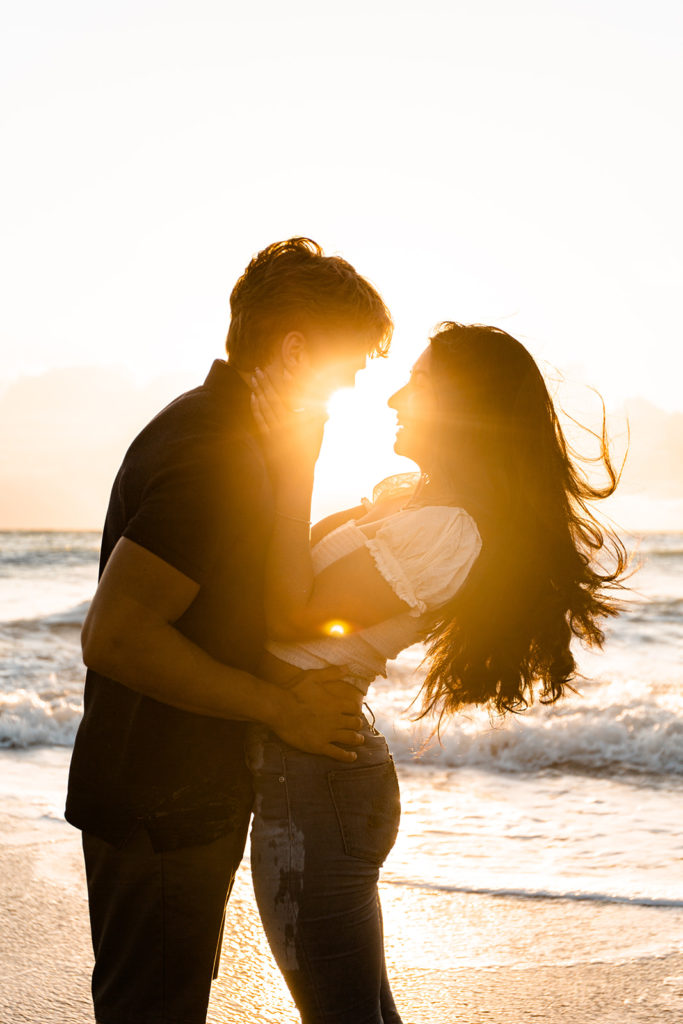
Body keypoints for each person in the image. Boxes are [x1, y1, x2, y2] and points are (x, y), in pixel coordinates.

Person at [247, 321, 628, 1024]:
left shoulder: (450, 530)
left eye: (417, 383)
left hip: (319, 780)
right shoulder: (412, 504)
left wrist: (294, 454)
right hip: (312, 768)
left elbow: (293, 611)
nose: (394, 395)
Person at [65, 237, 393, 1024]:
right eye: (347, 365)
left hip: (167, 792)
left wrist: (300, 455)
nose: (351, 385)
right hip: (158, 802)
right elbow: (115, 636)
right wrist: (278, 708)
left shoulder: (231, 437)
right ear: (294, 349)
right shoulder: (215, 455)